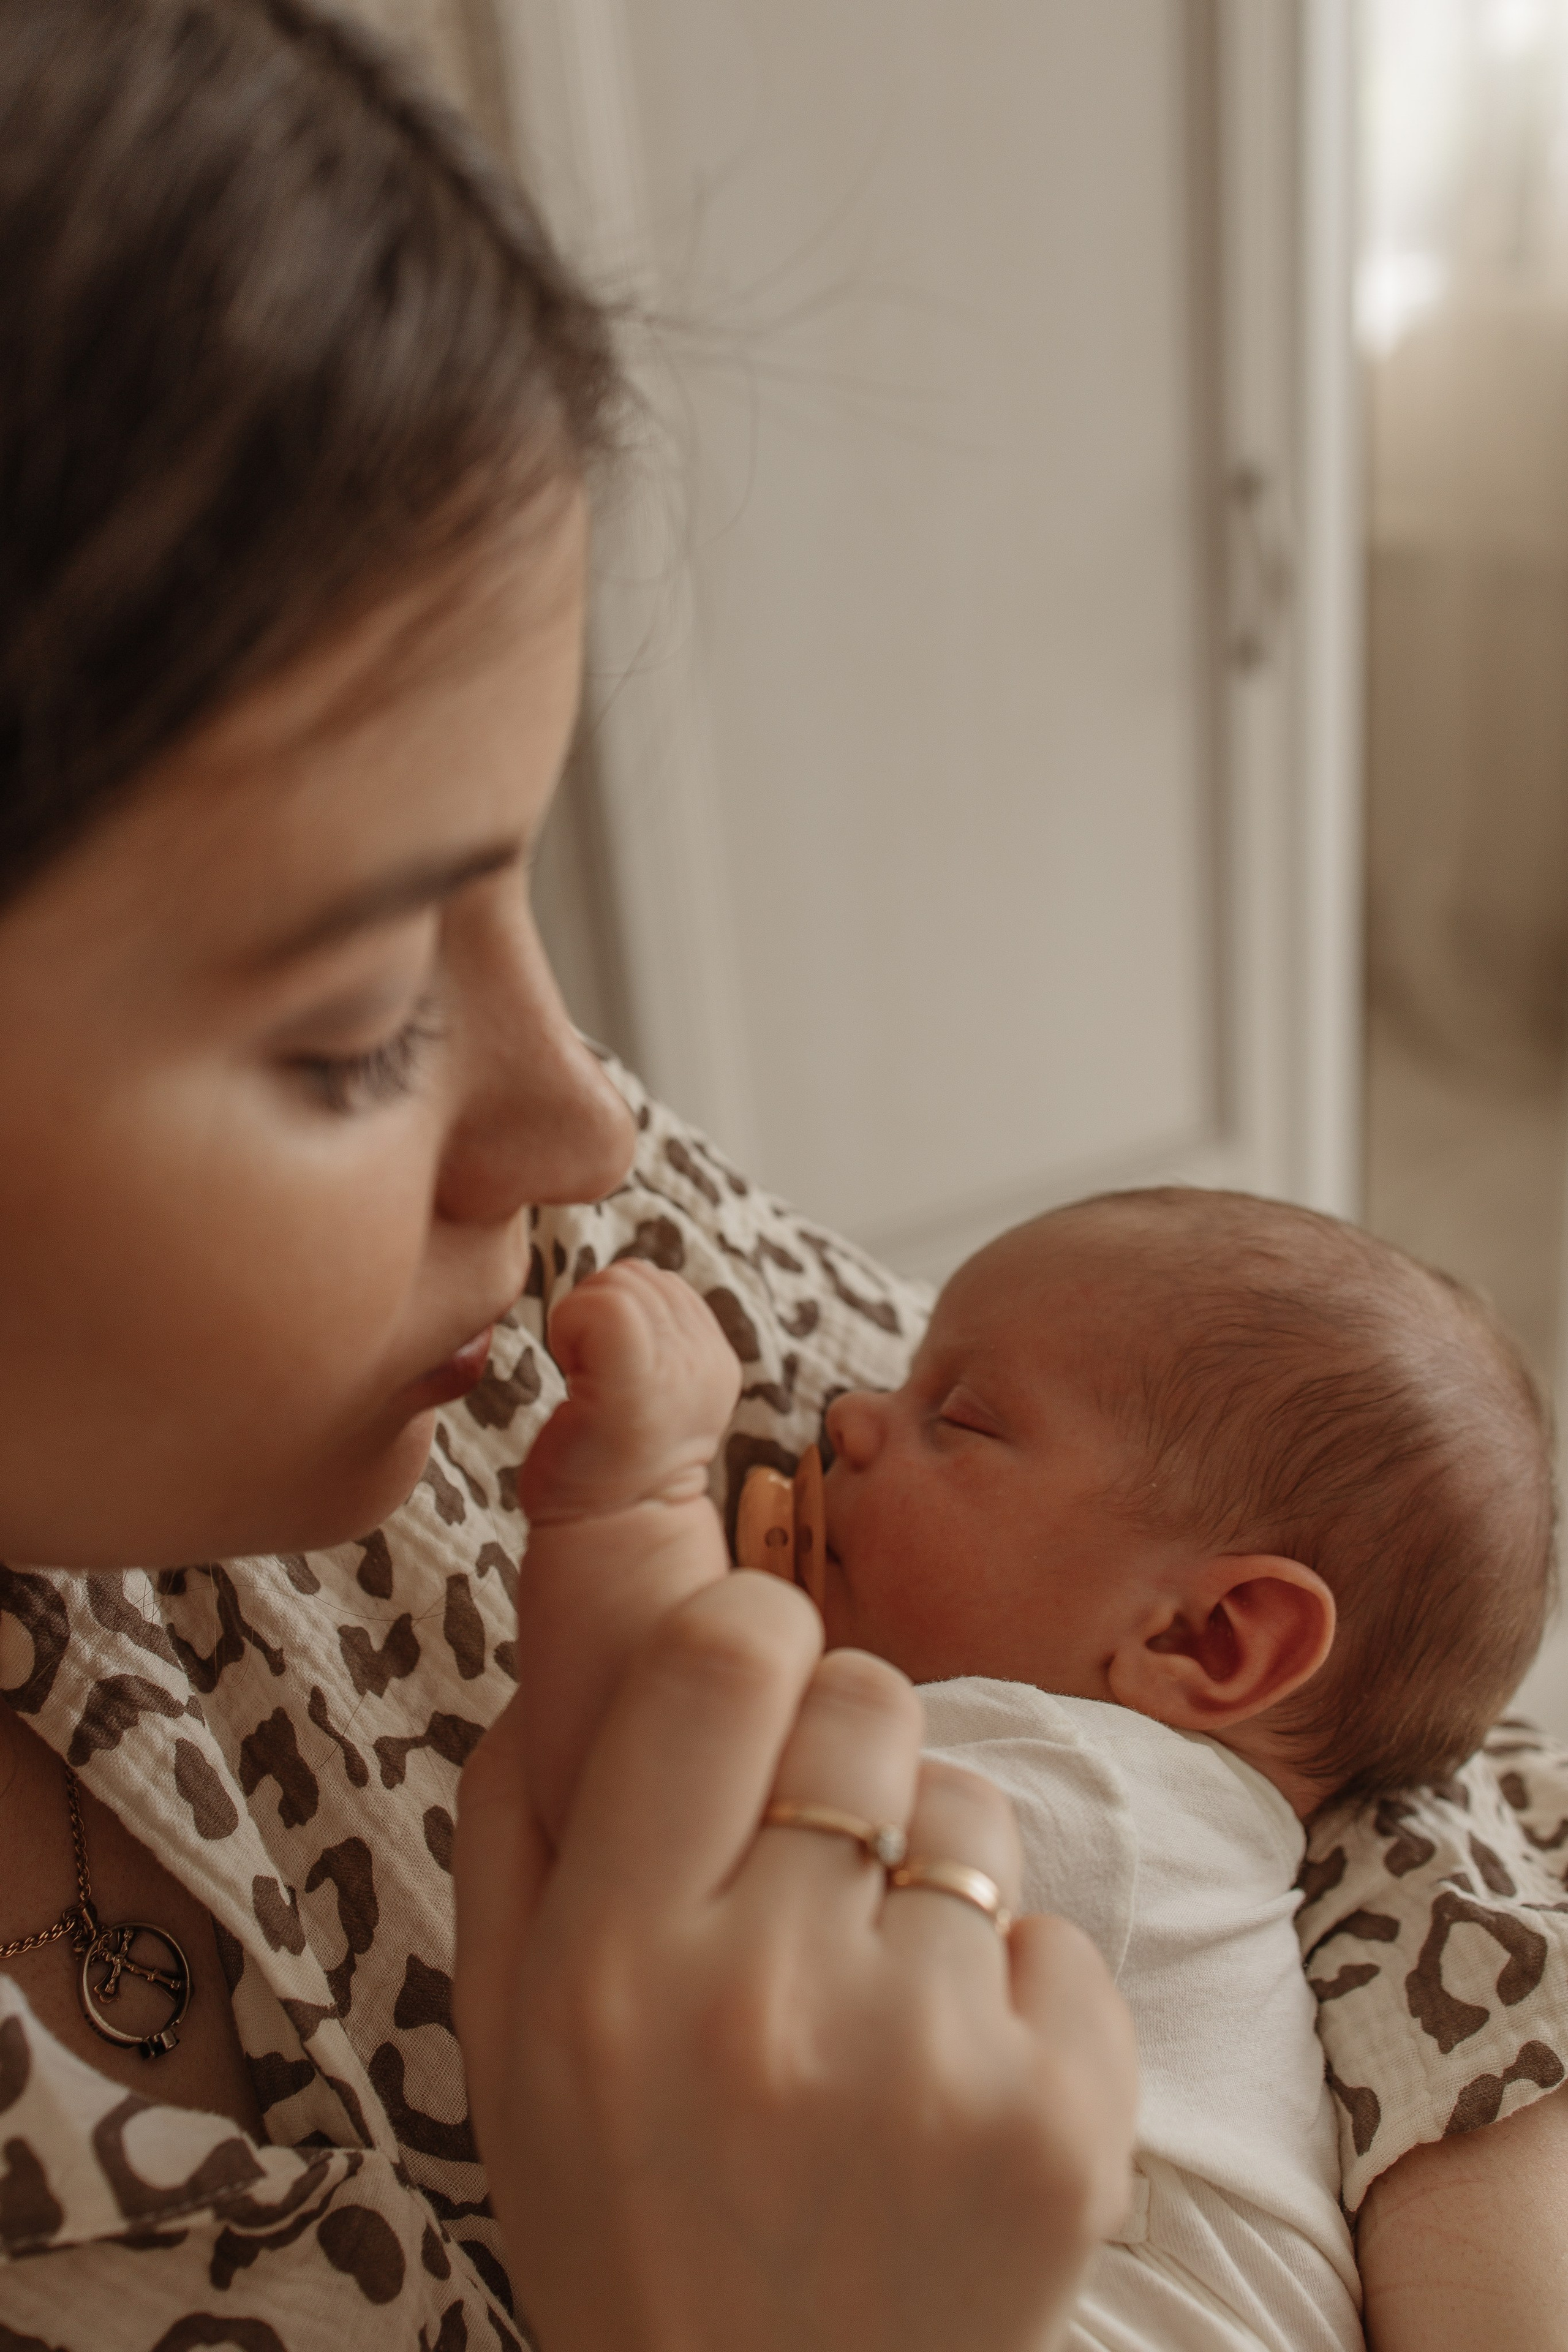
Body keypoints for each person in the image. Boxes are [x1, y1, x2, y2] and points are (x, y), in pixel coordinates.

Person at [0, 2, 1561, 2348]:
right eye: (352, 1028)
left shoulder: (532, 1288)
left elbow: (1367, 1711)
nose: (592, 1132)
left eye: (515, 882)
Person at [514, 1188, 1563, 2352]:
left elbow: (632, 1823)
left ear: (1201, 1641)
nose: (850, 1413)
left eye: (957, 1417)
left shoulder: (1094, 1792)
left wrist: (628, 1498)